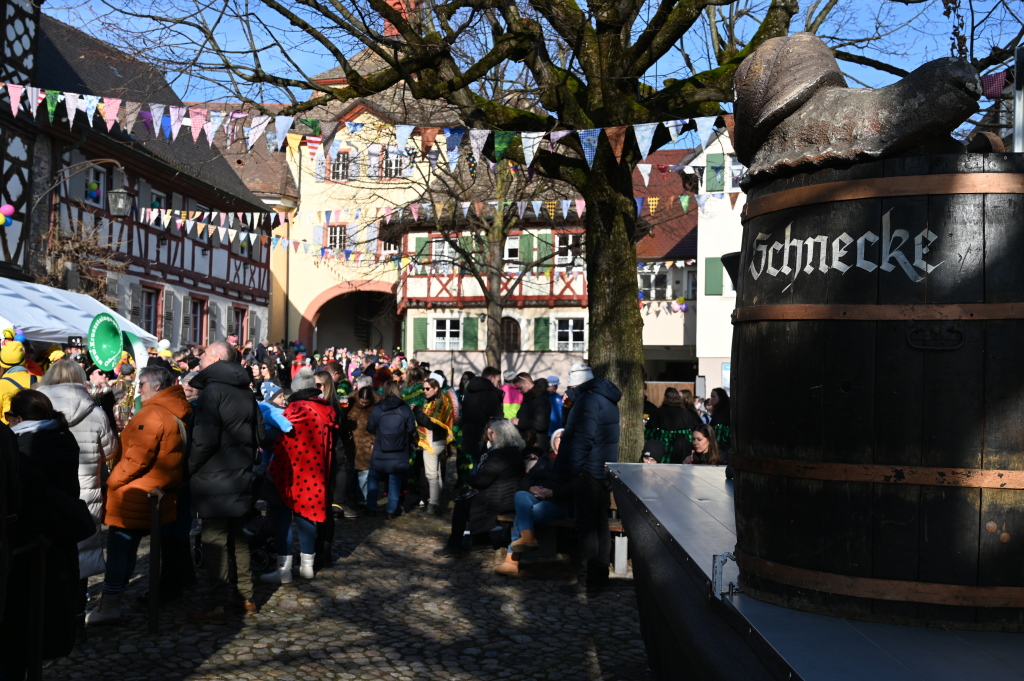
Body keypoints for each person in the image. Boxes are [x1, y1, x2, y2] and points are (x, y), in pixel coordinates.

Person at [85, 366, 191, 624]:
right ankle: (115, 599)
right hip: (154, 492)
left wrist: (111, 481)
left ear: (155, 386)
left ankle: (110, 603)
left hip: (136, 495)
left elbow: (136, 460)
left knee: (121, 550)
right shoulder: (168, 409)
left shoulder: (154, 413)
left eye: (142, 384)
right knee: (128, 550)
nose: (138, 389)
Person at [1, 391, 83, 677]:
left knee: (18, 625)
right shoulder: (63, 436)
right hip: (56, 539)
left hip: (27, 542)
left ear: (18, 418)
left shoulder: (18, 445)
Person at [187, 341, 263, 623]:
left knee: (215, 541)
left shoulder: (213, 391)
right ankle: (246, 597)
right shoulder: (246, 391)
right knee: (239, 538)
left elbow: (204, 439)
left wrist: (190, 466)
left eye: (204, 355)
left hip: (214, 476)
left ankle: (218, 604)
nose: (200, 358)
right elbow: (260, 433)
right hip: (239, 474)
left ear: (217, 358)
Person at [37, 360, 118, 620]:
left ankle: (45, 618)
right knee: (81, 552)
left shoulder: (37, 410)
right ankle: (75, 617)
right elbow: (110, 452)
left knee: (45, 551)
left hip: (46, 491)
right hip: (84, 493)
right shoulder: (94, 412)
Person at [552, 362, 621, 595]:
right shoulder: (605, 397)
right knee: (600, 524)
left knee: (587, 527)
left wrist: (575, 467)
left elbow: (582, 437)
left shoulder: (589, 399)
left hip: (588, 470)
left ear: (576, 383)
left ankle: (586, 580)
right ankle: (599, 577)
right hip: (602, 469)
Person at [260, 369, 335, 584]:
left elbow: (277, 438)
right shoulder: (325, 409)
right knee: (307, 518)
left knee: (283, 519)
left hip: (290, 470)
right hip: (315, 472)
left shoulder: (295, 409)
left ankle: (283, 572)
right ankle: (307, 567)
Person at [433, 419, 525, 557]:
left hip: (499, 500)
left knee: (462, 501)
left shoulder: (499, 455)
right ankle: (481, 540)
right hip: (508, 496)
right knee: (466, 496)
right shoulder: (515, 451)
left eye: (492, 432)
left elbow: (482, 481)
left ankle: (454, 544)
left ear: (500, 435)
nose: (489, 434)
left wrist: (469, 478)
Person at [495, 428, 572, 575]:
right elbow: (525, 478)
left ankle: (512, 561)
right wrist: (531, 488)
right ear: (553, 441)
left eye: (564, 438)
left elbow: (575, 487)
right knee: (520, 495)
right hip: (534, 497)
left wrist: (552, 492)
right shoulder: (545, 458)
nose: (560, 441)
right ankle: (527, 537)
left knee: (524, 515)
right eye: (557, 438)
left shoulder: (572, 461)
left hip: (557, 503)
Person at [365, 381, 416, 518]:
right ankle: (391, 511)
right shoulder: (404, 408)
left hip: (380, 450)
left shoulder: (378, 408)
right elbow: (412, 429)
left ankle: (371, 508)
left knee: (373, 478)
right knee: (395, 480)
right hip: (399, 452)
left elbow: (369, 427)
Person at [413, 378, 455, 518]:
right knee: (436, 475)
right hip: (437, 441)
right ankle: (436, 503)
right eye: (423, 389)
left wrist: (417, 412)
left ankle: (432, 505)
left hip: (433, 442)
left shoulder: (440, 402)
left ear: (436, 388)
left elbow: (430, 423)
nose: (425, 391)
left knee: (431, 475)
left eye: (427, 388)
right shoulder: (436, 401)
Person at [460, 367, 504, 469]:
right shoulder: (491, 394)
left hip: (470, 437)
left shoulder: (469, 392)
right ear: (492, 378)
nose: (498, 385)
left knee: (476, 465)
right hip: (485, 438)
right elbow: (497, 418)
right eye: (498, 381)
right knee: (484, 468)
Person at [346, 386, 376, 505]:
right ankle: (351, 497)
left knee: (364, 472)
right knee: (351, 471)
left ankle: (363, 498)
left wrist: (374, 441)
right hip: (351, 442)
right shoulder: (350, 401)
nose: (364, 405)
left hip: (367, 443)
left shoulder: (376, 405)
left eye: (366, 403)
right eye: (362, 402)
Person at [0, 334, 33, 425]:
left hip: (10, 434)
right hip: (38, 434)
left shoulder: (1, 385)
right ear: (23, 358)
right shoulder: (40, 380)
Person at [513, 373, 550, 452]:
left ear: (527, 383)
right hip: (526, 442)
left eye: (520, 388)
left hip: (537, 445)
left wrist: (519, 422)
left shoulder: (541, 399)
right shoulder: (528, 398)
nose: (519, 391)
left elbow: (541, 425)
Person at [708, 387, 732, 453]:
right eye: (711, 396)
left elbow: (719, 435)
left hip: (721, 449)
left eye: (713, 397)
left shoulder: (721, 414)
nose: (711, 399)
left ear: (720, 398)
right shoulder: (720, 412)